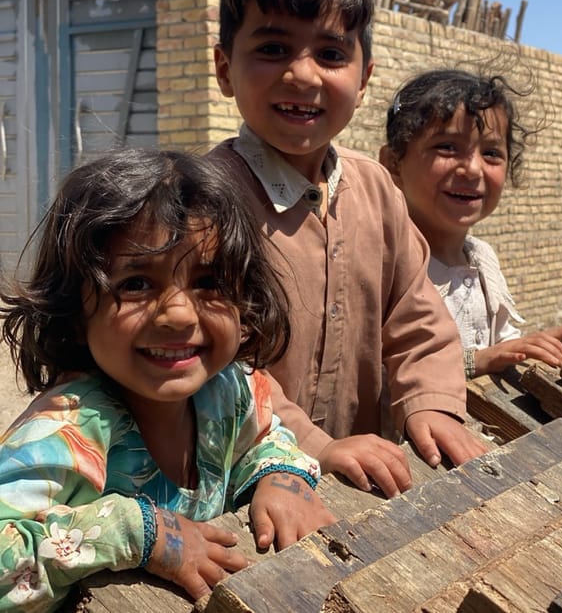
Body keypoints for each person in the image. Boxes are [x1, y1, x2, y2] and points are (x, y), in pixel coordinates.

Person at [208, 0, 488, 501]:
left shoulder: (375, 190)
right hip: (243, 486)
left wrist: (429, 402)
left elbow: (416, 315)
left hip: (362, 484)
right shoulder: (206, 204)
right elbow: (218, 364)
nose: (304, 75)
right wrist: (315, 445)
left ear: (363, 81)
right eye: (272, 48)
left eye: (331, 54)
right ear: (224, 69)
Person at [0, 148, 336, 612]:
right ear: (76, 313)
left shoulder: (228, 391)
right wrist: (134, 531)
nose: (178, 314)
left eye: (209, 281)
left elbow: (262, 441)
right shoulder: (65, 433)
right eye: (136, 283)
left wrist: (282, 475)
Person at [379, 68, 562, 379]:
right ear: (393, 164)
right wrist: (475, 362)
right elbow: (377, 370)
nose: (472, 169)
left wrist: (554, 341)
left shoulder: (482, 258)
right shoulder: (386, 266)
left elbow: (500, 347)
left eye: (492, 153)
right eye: (447, 147)